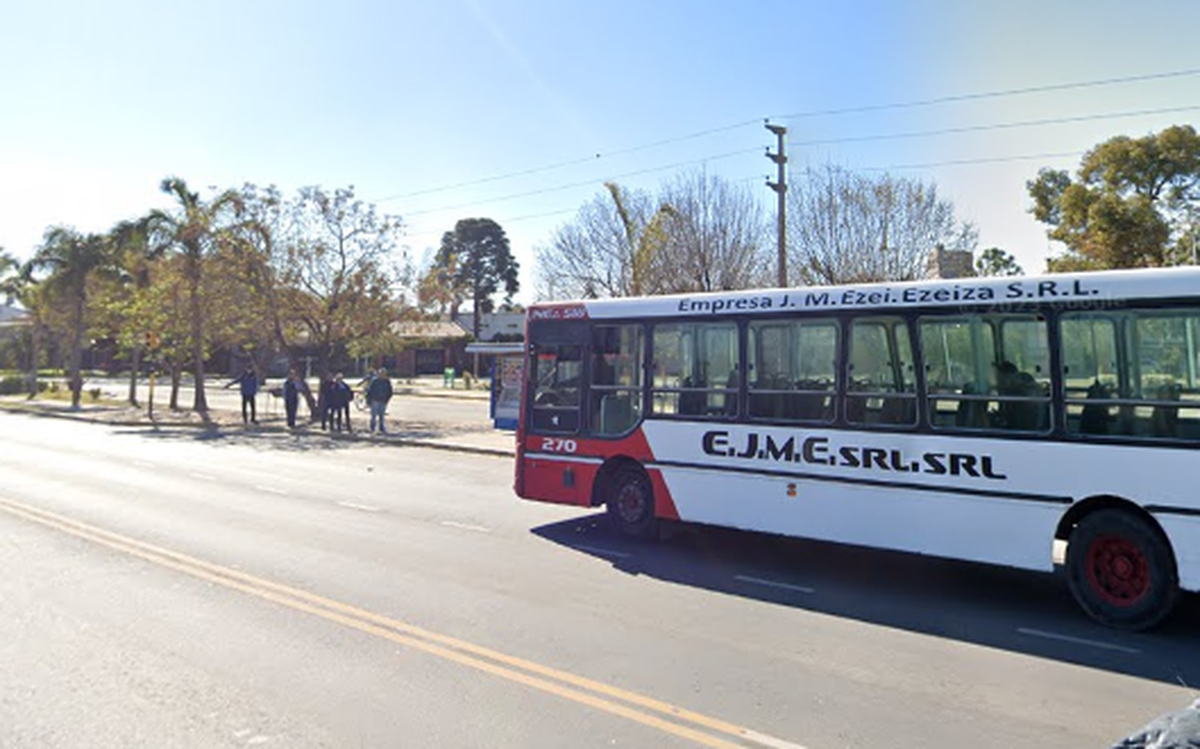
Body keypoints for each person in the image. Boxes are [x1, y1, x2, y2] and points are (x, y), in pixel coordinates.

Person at [366, 367, 394, 434]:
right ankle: (372, 428)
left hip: (383, 401)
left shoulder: (387, 381)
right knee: (373, 415)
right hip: (374, 400)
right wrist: (368, 400)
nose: (382, 375)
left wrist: (387, 399)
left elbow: (390, 391)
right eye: (381, 373)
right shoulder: (374, 381)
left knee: (381, 416)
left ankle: (381, 427)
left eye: (383, 373)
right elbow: (369, 391)